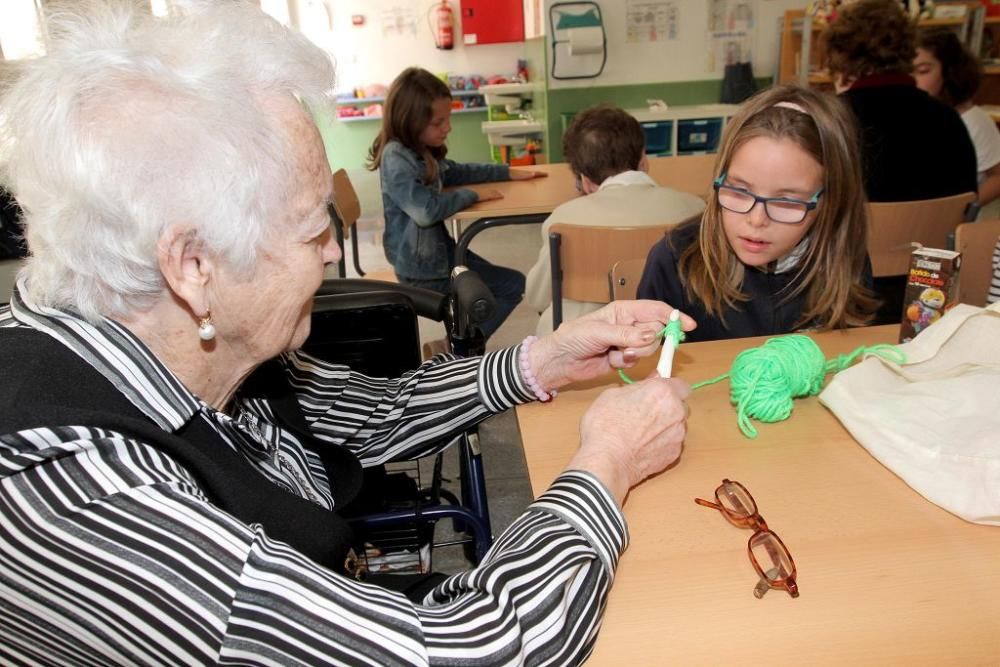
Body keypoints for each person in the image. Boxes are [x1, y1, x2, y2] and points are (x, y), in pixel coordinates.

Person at [0, 2, 692, 664]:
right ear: (193, 265)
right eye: (311, 230)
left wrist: (546, 357)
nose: (334, 252)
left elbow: (378, 412)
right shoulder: (70, 492)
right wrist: (606, 462)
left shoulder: (198, 343)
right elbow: (469, 652)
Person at [637, 84, 878, 342]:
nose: (756, 220)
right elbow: (645, 367)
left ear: (829, 202)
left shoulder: (844, 258)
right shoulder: (674, 259)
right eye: (739, 191)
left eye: (786, 202)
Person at [369, 67, 541, 339]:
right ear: (410, 121)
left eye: (447, 119)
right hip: (422, 270)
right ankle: (461, 350)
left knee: (506, 285)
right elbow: (426, 211)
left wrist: (505, 171)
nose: (448, 127)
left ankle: (460, 343)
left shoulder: (417, 150)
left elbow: (457, 171)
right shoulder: (396, 158)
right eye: (439, 122)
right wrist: (472, 194)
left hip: (437, 256)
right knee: (511, 286)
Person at [524, 104, 706, 335]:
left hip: (582, 344)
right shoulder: (695, 210)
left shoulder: (563, 220)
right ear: (643, 160)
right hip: (670, 337)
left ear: (585, 181)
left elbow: (537, 297)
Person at [820, 0, 977, 204]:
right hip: (932, 236)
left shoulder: (830, 120)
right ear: (908, 49)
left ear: (840, 55)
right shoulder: (948, 119)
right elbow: (968, 202)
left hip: (858, 236)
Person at [914, 28, 1000, 217]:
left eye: (923, 71)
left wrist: (964, 207)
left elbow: (997, 176)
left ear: (949, 72)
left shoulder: (974, 120)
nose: (913, 80)